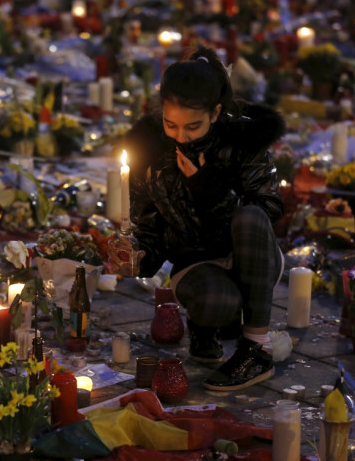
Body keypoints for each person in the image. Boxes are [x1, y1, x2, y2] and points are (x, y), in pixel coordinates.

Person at [113, 45, 285, 391]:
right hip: (195, 259)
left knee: (250, 216)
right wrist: (136, 256)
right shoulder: (150, 150)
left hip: (250, 254)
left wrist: (208, 188)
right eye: (170, 124)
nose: (180, 136)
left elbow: (268, 209)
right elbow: (149, 227)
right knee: (216, 303)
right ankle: (204, 327)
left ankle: (256, 348)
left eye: (193, 126)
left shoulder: (243, 140)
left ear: (216, 112)